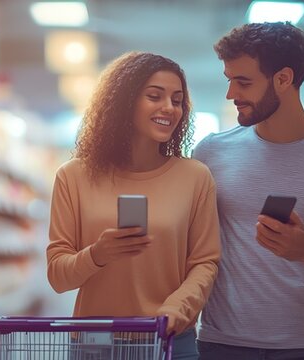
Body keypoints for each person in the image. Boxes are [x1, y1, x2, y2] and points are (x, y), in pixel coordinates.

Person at [193, 22, 304, 359]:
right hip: (220, 344)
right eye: (229, 80)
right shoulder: (210, 154)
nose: (231, 94)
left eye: (243, 82)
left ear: (283, 79)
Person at [46, 51, 220, 360]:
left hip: (169, 338)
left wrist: (175, 310)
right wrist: (97, 254)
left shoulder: (194, 177)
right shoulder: (73, 176)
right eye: (155, 96)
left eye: (177, 100)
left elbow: (205, 263)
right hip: (95, 340)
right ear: (124, 103)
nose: (169, 108)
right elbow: (58, 277)